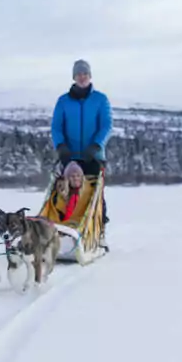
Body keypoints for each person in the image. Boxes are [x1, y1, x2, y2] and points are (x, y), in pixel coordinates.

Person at [50, 58, 111, 238]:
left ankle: (98, 233)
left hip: (93, 156)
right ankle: (61, 230)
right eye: (79, 74)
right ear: (74, 77)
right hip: (69, 156)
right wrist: (60, 146)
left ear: (90, 76)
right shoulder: (63, 101)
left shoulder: (100, 99)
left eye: (85, 74)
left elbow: (106, 125)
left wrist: (97, 145)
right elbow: (56, 127)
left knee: (94, 194)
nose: (82, 77)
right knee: (64, 194)